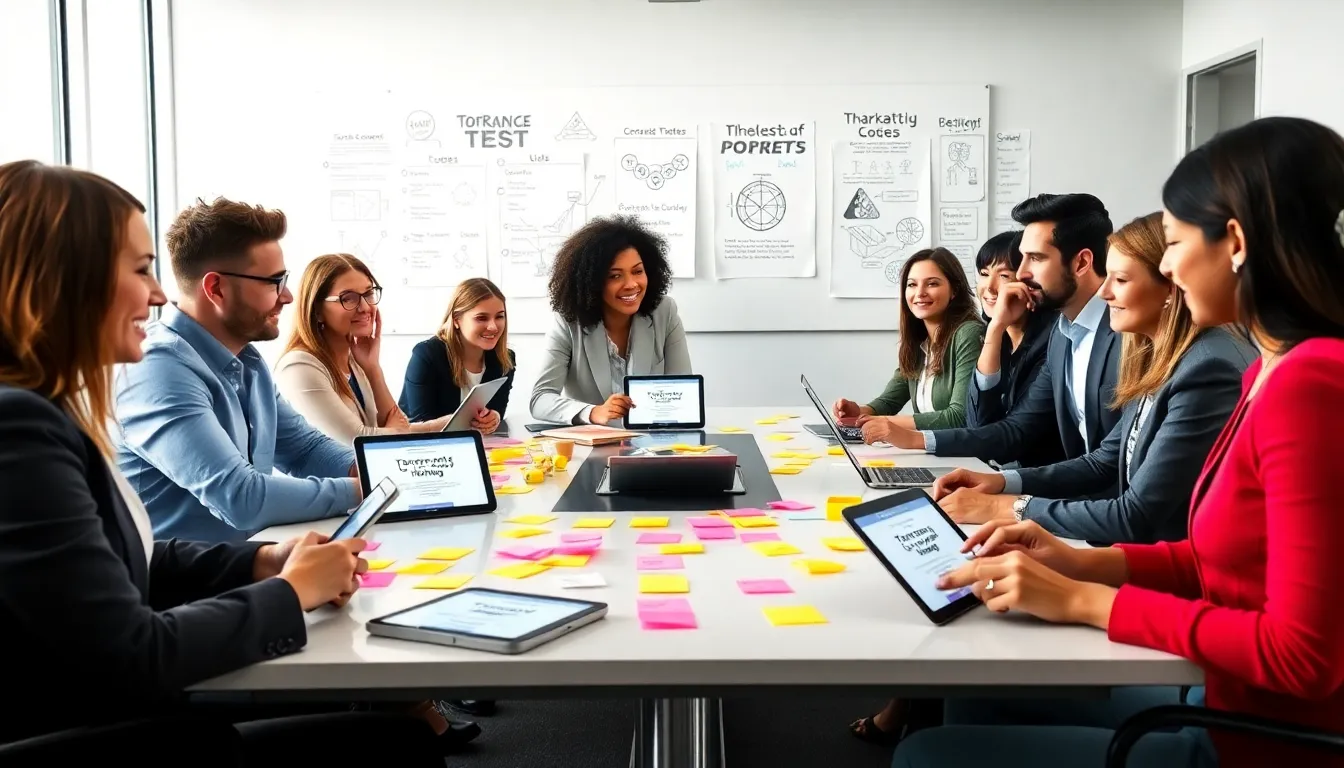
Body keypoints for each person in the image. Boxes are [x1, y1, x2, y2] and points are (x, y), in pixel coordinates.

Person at [895, 116, 1344, 768]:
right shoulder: (1264, 369)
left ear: (1237, 243)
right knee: (973, 694)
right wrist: (1073, 560)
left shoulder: (1310, 381)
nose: (1165, 264)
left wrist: (1085, 601)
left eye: (1173, 242)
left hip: (1254, 743)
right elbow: (1215, 562)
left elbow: (1302, 657)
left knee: (928, 758)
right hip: (1217, 700)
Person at [0, 160, 443, 765]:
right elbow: (130, 652)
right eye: (138, 270)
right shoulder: (24, 426)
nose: (156, 294)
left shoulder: (51, 406)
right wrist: (289, 593)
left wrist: (261, 560)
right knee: (393, 741)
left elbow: (132, 555)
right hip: (112, 717)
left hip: (157, 653)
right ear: (66, 283)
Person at [933, 212, 1255, 544]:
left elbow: (1137, 516)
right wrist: (1002, 482)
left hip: (1176, 569)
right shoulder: (1156, 354)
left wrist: (1007, 508)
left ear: (1170, 286)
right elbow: (1105, 460)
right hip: (1133, 550)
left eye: (1121, 279)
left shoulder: (1205, 368)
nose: (1103, 293)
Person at [113, 197, 361, 543]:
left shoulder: (247, 362)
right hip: (181, 592)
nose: (288, 296)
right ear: (216, 288)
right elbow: (241, 498)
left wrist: (391, 470)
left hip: (244, 570)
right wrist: (367, 490)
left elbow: (305, 450)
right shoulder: (155, 369)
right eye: (274, 281)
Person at [870, 194, 1123, 476]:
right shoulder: (1063, 337)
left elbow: (1108, 467)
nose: (1023, 273)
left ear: (1081, 263)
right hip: (1065, 491)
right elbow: (1012, 429)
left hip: (1096, 503)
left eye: (1035, 258)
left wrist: (1014, 499)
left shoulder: (1125, 336)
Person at [275, 254, 457, 442]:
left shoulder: (354, 360)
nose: (365, 307)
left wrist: (372, 368)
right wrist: (392, 430)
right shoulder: (299, 366)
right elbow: (356, 441)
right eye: (349, 298)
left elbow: (399, 427)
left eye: (369, 294)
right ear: (317, 310)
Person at [530, 215, 690, 427]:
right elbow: (540, 399)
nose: (631, 284)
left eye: (638, 271)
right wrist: (593, 412)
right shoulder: (568, 322)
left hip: (652, 443)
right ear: (592, 282)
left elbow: (685, 392)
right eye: (615, 276)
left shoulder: (664, 311)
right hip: (593, 447)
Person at [832, 248, 984, 441]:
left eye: (932, 284)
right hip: (931, 452)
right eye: (911, 285)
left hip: (966, 458)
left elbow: (959, 417)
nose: (919, 293)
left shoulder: (968, 333)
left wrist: (882, 424)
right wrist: (858, 412)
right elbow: (888, 402)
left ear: (954, 290)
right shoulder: (921, 343)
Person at [966, 230, 1059, 468]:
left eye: (1004, 275)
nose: (989, 287)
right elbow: (977, 423)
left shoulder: (1052, 339)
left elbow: (1015, 439)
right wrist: (996, 329)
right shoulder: (997, 339)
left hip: (1043, 481)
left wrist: (996, 325)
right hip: (1004, 473)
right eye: (984, 274)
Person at [398, 276, 515, 431]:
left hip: (477, 446)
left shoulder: (505, 359)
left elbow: (498, 409)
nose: (493, 326)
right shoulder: (427, 355)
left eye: (499, 316)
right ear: (456, 320)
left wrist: (494, 418)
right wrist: (456, 421)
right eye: (481, 318)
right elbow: (419, 422)